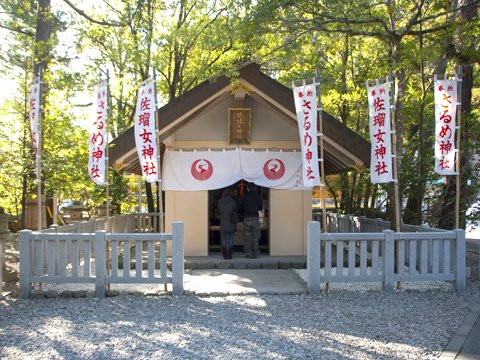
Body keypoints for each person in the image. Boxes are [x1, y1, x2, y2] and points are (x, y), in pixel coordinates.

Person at [238, 182, 263, 258]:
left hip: (247, 218)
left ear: (248, 188)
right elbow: (260, 207)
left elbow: (239, 208)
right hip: (255, 218)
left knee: (247, 237)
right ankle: (255, 253)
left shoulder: (244, 197)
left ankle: (248, 253)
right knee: (255, 237)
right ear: (254, 188)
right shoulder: (258, 196)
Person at [217, 187, 238, 259]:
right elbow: (236, 210)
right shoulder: (233, 201)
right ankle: (230, 255)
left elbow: (219, 211)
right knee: (231, 239)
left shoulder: (220, 201)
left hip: (223, 223)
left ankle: (225, 255)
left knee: (224, 240)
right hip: (231, 223)